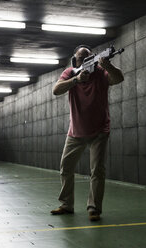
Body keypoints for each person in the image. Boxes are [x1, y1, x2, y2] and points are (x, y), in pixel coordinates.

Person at [51, 45, 124, 221]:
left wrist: (108, 66)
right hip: (75, 131)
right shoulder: (70, 72)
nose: (84, 61)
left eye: (88, 57)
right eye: (81, 59)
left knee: (97, 171)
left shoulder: (100, 72)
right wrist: (76, 80)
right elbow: (56, 90)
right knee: (66, 167)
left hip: (99, 130)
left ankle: (94, 209)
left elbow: (119, 78)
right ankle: (66, 204)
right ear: (75, 61)